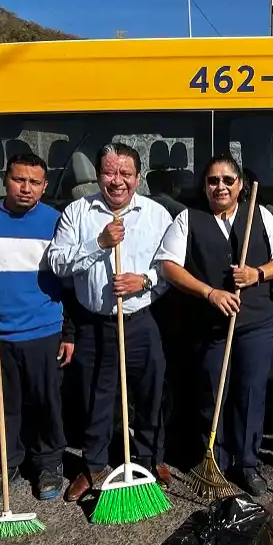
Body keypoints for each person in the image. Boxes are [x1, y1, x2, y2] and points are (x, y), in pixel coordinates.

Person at [154, 154, 273, 496]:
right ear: (204, 186)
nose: (221, 187)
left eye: (228, 180)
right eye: (213, 180)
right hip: (208, 324)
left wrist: (257, 273)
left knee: (250, 393)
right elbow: (168, 266)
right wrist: (210, 292)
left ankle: (247, 464)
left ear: (240, 185)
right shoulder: (188, 219)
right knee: (212, 392)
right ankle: (215, 459)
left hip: (257, 321)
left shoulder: (260, 215)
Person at [46, 142, 175, 502]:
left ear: (138, 177)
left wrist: (144, 280)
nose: (117, 180)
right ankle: (94, 466)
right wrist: (99, 243)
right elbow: (57, 263)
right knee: (96, 397)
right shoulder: (78, 212)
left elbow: (169, 269)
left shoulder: (156, 215)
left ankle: (151, 459)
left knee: (150, 394)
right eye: (109, 172)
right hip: (94, 323)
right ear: (98, 175)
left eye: (125, 173)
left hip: (141, 321)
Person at [0, 152, 75, 510]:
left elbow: (68, 283)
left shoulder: (56, 221)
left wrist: (68, 332)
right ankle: (2, 467)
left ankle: (49, 463)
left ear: (45, 186)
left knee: (48, 403)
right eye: (19, 180)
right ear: (5, 180)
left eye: (34, 182)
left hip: (44, 330)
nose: (26, 188)